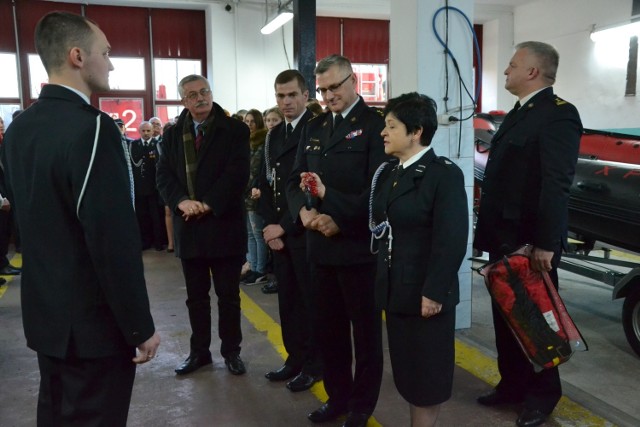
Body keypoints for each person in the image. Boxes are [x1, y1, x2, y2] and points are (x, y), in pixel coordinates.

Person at [0, 11, 160, 426]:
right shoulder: (93, 130)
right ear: (76, 56)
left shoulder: (20, 128)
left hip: (46, 319)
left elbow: (28, 220)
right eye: (105, 53)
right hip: (92, 327)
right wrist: (139, 326)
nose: (110, 63)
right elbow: (110, 239)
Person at [473, 41, 582, 427]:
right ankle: (513, 385)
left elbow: (556, 184)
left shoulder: (558, 115)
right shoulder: (522, 113)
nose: (506, 71)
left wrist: (547, 243)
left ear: (533, 72)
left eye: (512, 65)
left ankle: (541, 395)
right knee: (506, 314)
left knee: (536, 319)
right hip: (503, 235)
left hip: (529, 240)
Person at [286, 54, 387, 427]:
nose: (329, 95)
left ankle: (362, 405)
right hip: (319, 247)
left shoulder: (375, 125)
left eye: (335, 87)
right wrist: (304, 213)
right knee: (328, 331)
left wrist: (338, 220)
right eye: (323, 89)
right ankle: (338, 397)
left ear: (353, 80)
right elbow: (295, 178)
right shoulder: (314, 127)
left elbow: (377, 190)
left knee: (365, 335)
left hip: (357, 248)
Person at [370, 92, 468, 426]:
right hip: (398, 292)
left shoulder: (443, 174)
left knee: (428, 377)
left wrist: (435, 292)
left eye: (391, 126)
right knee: (409, 374)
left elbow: (451, 238)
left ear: (416, 132)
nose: (384, 133)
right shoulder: (392, 173)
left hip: (426, 296)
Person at [156, 74, 249, 376]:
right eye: (193, 94)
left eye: (204, 91)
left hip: (223, 225)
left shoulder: (234, 129)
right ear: (183, 100)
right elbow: (163, 175)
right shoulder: (171, 135)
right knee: (196, 298)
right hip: (189, 227)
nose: (200, 98)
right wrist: (182, 201)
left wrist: (207, 203)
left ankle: (232, 352)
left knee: (228, 296)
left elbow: (237, 174)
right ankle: (199, 353)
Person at [256, 69, 322, 392]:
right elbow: (266, 184)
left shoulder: (317, 130)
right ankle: (294, 358)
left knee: (311, 303)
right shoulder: (273, 135)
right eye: (280, 96)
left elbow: (310, 188)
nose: (286, 102)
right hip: (279, 232)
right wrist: (270, 227)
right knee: (289, 301)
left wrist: (281, 227)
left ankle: (314, 364)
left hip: (304, 231)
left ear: (306, 95)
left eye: (292, 95)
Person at [242, 109, 269, 285]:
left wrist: (251, 187)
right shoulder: (246, 142)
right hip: (244, 193)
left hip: (254, 192)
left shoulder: (263, 141)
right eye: (247, 121)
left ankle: (261, 270)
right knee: (250, 235)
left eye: (252, 121)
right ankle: (252, 266)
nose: (249, 124)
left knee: (258, 234)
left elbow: (257, 169)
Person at [130, 120, 165, 251]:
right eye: (143, 131)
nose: (146, 133)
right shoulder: (133, 145)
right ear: (139, 131)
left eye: (148, 130)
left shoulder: (158, 145)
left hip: (155, 187)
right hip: (140, 188)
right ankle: (145, 241)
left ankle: (158, 241)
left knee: (156, 216)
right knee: (142, 216)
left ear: (152, 131)